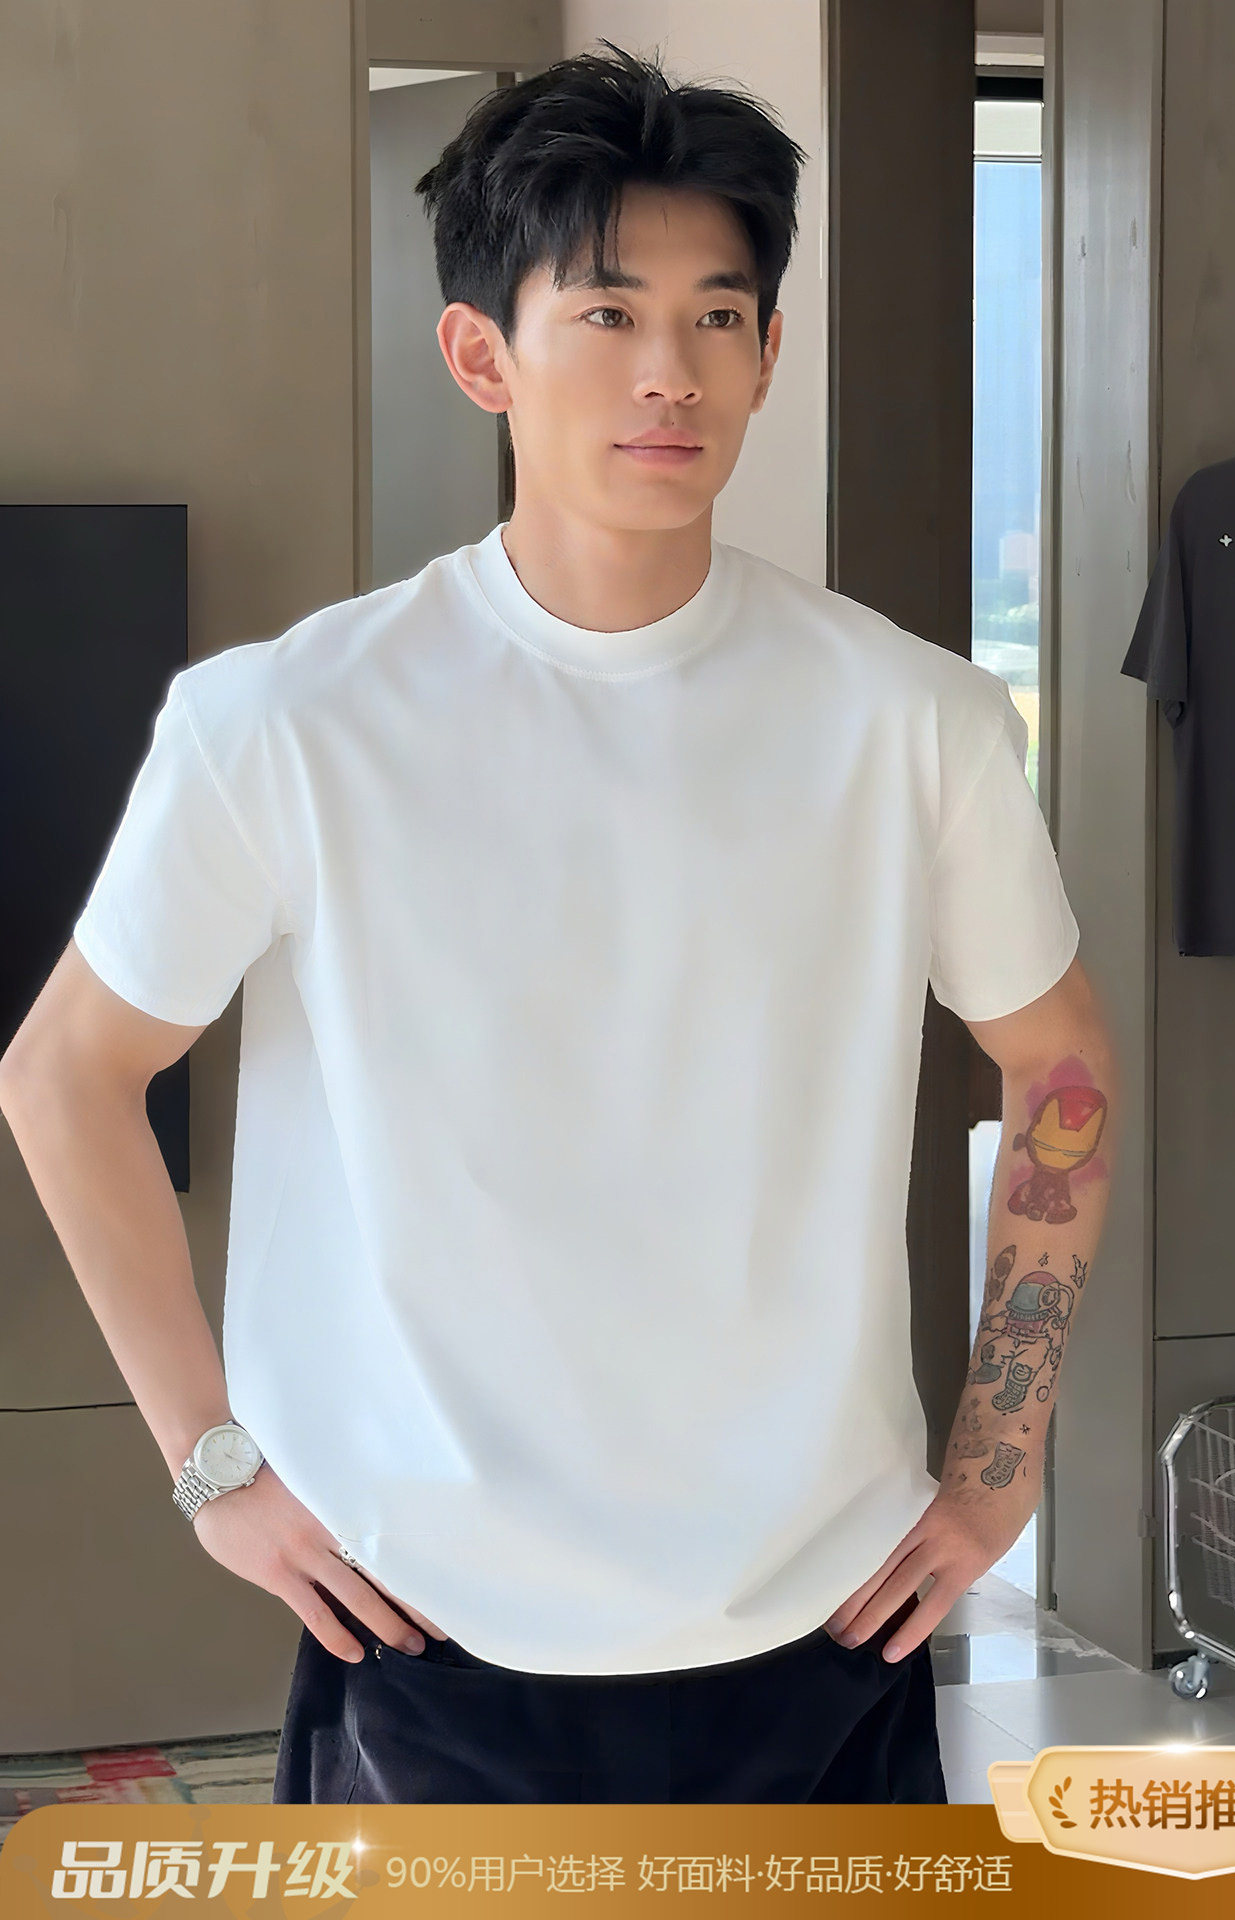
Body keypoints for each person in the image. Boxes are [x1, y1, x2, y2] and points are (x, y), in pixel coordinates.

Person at [0, 40, 1118, 1805]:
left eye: (719, 316)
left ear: (769, 353)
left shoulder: (915, 720)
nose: (671, 370)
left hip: (823, 1618)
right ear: (481, 355)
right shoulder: (285, 721)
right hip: (426, 1623)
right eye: (606, 313)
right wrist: (213, 1464)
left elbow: (1058, 1067)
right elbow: (66, 1076)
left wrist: (999, 1462)